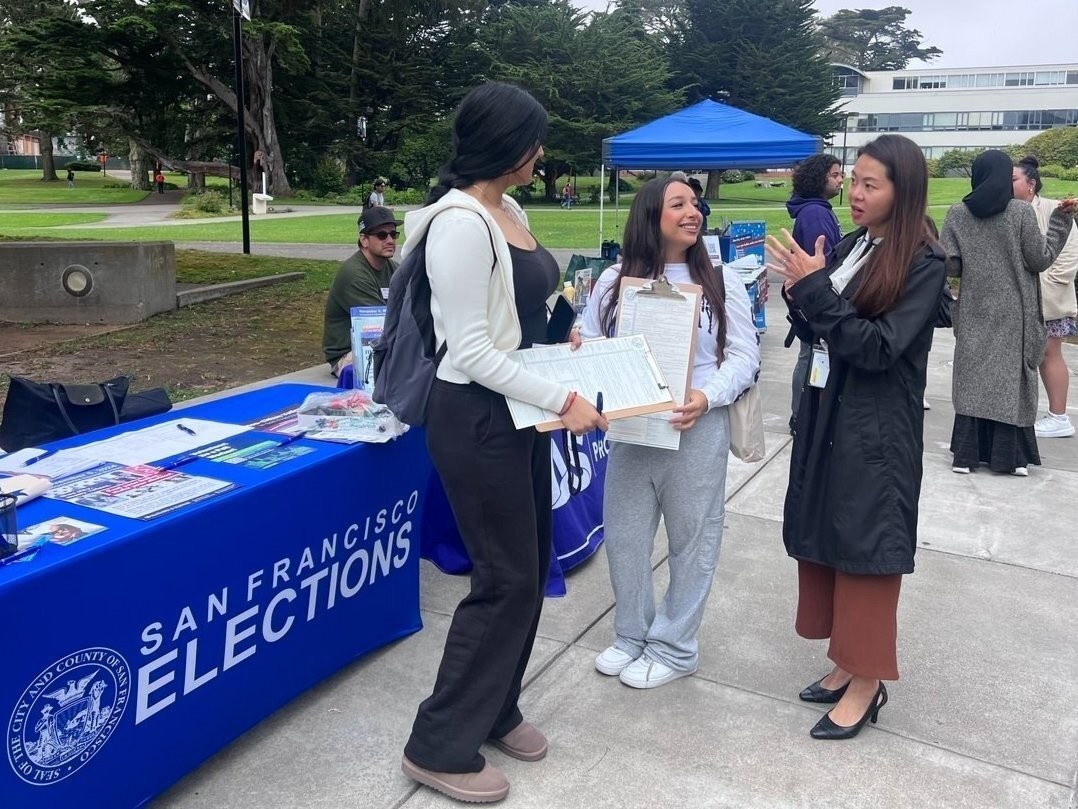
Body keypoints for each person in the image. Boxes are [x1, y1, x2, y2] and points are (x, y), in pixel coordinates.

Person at [399, 82, 607, 804]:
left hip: (518, 409)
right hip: (479, 414)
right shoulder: (458, 223)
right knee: (505, 578)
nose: (542, 152)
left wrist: (561, 333)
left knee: (533, 561)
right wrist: (566, 399)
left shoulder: (508, 208)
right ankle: (439, 741)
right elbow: (471, 350)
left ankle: (496, 705)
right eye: (534, 140)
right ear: (504, 146)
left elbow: (523, 310)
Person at [765, 134, 946, 740]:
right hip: (827, 412)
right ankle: (846, 661)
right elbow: (825, 325)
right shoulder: (852, 244)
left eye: (872, 185)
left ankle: (868, 682)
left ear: (904, 190)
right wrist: (800, 291)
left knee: (868, 542)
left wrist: (815, 290)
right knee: (830, 530)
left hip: (876, 427)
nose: (856, 194)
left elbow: (879, 348)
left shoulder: (922, 260)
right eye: (856, 182)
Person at [582, 177, 760, 689]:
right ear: (649, 216)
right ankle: (632, 635)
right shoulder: (614, 281)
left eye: (694, 204)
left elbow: (744, 355)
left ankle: (675, 646)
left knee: (692, 540)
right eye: (677, 204)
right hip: (634, 428)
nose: (693, 212)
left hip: (696, 426)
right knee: (626, 537)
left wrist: (706, 398)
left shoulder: (720, 281)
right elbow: (594, 342)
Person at [941, 150, 1075, 475]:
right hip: (1016, 311)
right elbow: (1040, 259)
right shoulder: (1020, 213)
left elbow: (951, 265)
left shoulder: (958, 213)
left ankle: (967, 457)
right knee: (1010, 381)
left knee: (973, 377)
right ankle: (1012, 459)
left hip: (974, 308)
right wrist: (1061, 223)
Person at [1012, 155, 1078, 438]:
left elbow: (1069, 255)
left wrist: (1041, 284)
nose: (1006, 185)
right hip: (1016, 300)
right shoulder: (1006, 212)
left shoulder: (1055, 210)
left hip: (1048, 300)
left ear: (1031, 184)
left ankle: (1059, 416)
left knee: (1050, 354)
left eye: (1012, 180)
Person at [785, 153, 844, 432]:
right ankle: (802, 416)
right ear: (818, 178)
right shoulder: (815, 214)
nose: (841, 179)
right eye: (835, 174)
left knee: (809, 355)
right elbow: (825, 262)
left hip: (813, 296)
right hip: (815, 298)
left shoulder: (818, 209)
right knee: (811, 355)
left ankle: (803, 414)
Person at [321, 206, 402, 375]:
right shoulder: (354, 274)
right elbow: (380, 324)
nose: (390, 240)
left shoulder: (394, 269)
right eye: (381, 235)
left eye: (393, 234)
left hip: (380, 345)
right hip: (350, 354)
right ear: (364, 240)